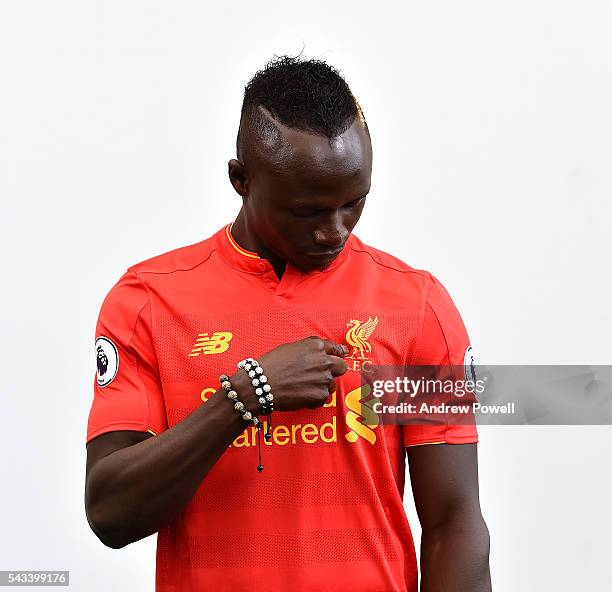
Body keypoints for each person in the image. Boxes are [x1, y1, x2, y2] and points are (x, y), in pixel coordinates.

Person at [85, 55, 491, 592]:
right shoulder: (149, 302)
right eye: (306, 212)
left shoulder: (416, 307)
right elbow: (110, 512)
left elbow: (453, 524)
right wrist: (245, 398)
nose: (334, 232)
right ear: (241, 180)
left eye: (354, 203)